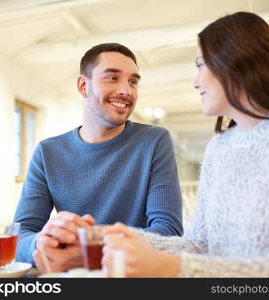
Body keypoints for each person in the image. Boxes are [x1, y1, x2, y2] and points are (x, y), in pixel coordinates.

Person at [102, 12, 269, 277]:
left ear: (234, 61)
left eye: (200, 65)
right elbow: (199, 245)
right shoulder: (219, 149)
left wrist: (172, 267)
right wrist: (107, 236)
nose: (195, 82)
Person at [13, 43, 183, 272]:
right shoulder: (47, 152)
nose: (127, 91)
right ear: (84, 86)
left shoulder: (154, 141)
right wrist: (42, 241)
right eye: (113, 78)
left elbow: (169, 233)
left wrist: (88, 245)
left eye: (133, 81)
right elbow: (18, 236)